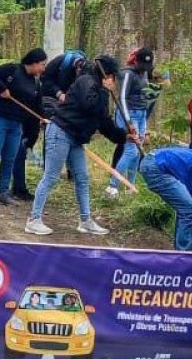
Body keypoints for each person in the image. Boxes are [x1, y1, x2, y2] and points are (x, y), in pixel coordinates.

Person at [25, 55, 138, 236]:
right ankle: (33, 219)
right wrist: (104, 90)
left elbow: (104, 122)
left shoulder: (100, 91)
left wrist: (124, 137)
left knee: (82, 178)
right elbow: (88, 105)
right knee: (51, 176)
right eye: (114, 77)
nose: (115, 81)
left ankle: (85, 220)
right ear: (107, 75)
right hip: (60, 132)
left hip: (76, 138)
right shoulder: (87, 81)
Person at [0, 49, 48, 208]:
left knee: (9, 159)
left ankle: (3, 192)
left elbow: (37, 105)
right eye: (42, 64)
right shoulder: (13, 70)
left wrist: (44, 118)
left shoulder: (36, 82)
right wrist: (2, 88)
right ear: (33, 62)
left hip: (15, 125)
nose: (43, 68)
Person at [12, 50, 88, 198]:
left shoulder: (85, 71)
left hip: (54, 108)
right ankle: (22, 184)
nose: (44, 68)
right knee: (25, 145)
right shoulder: (56, 64)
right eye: (42, 65)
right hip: (47, 102)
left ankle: (70, 170)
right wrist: (59, 93)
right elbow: (45, 82)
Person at [139, 147, 192, 252]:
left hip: (157, 160)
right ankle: (185, 262)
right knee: (191, 212)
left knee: (189, 211)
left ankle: (181, 256)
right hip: (158, 166)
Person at [105, 47, 155, 198]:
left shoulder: (145, 73)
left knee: (136, 152)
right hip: (127, 114)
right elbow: (122, 99)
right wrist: (128, 121)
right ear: (136, 61)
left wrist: (144, 123)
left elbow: (148, 97)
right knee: (130, 151)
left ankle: (130, 186)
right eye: (142, 65)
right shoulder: (128, 74)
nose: (144, 69)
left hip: (141, 115)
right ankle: (112, 186)